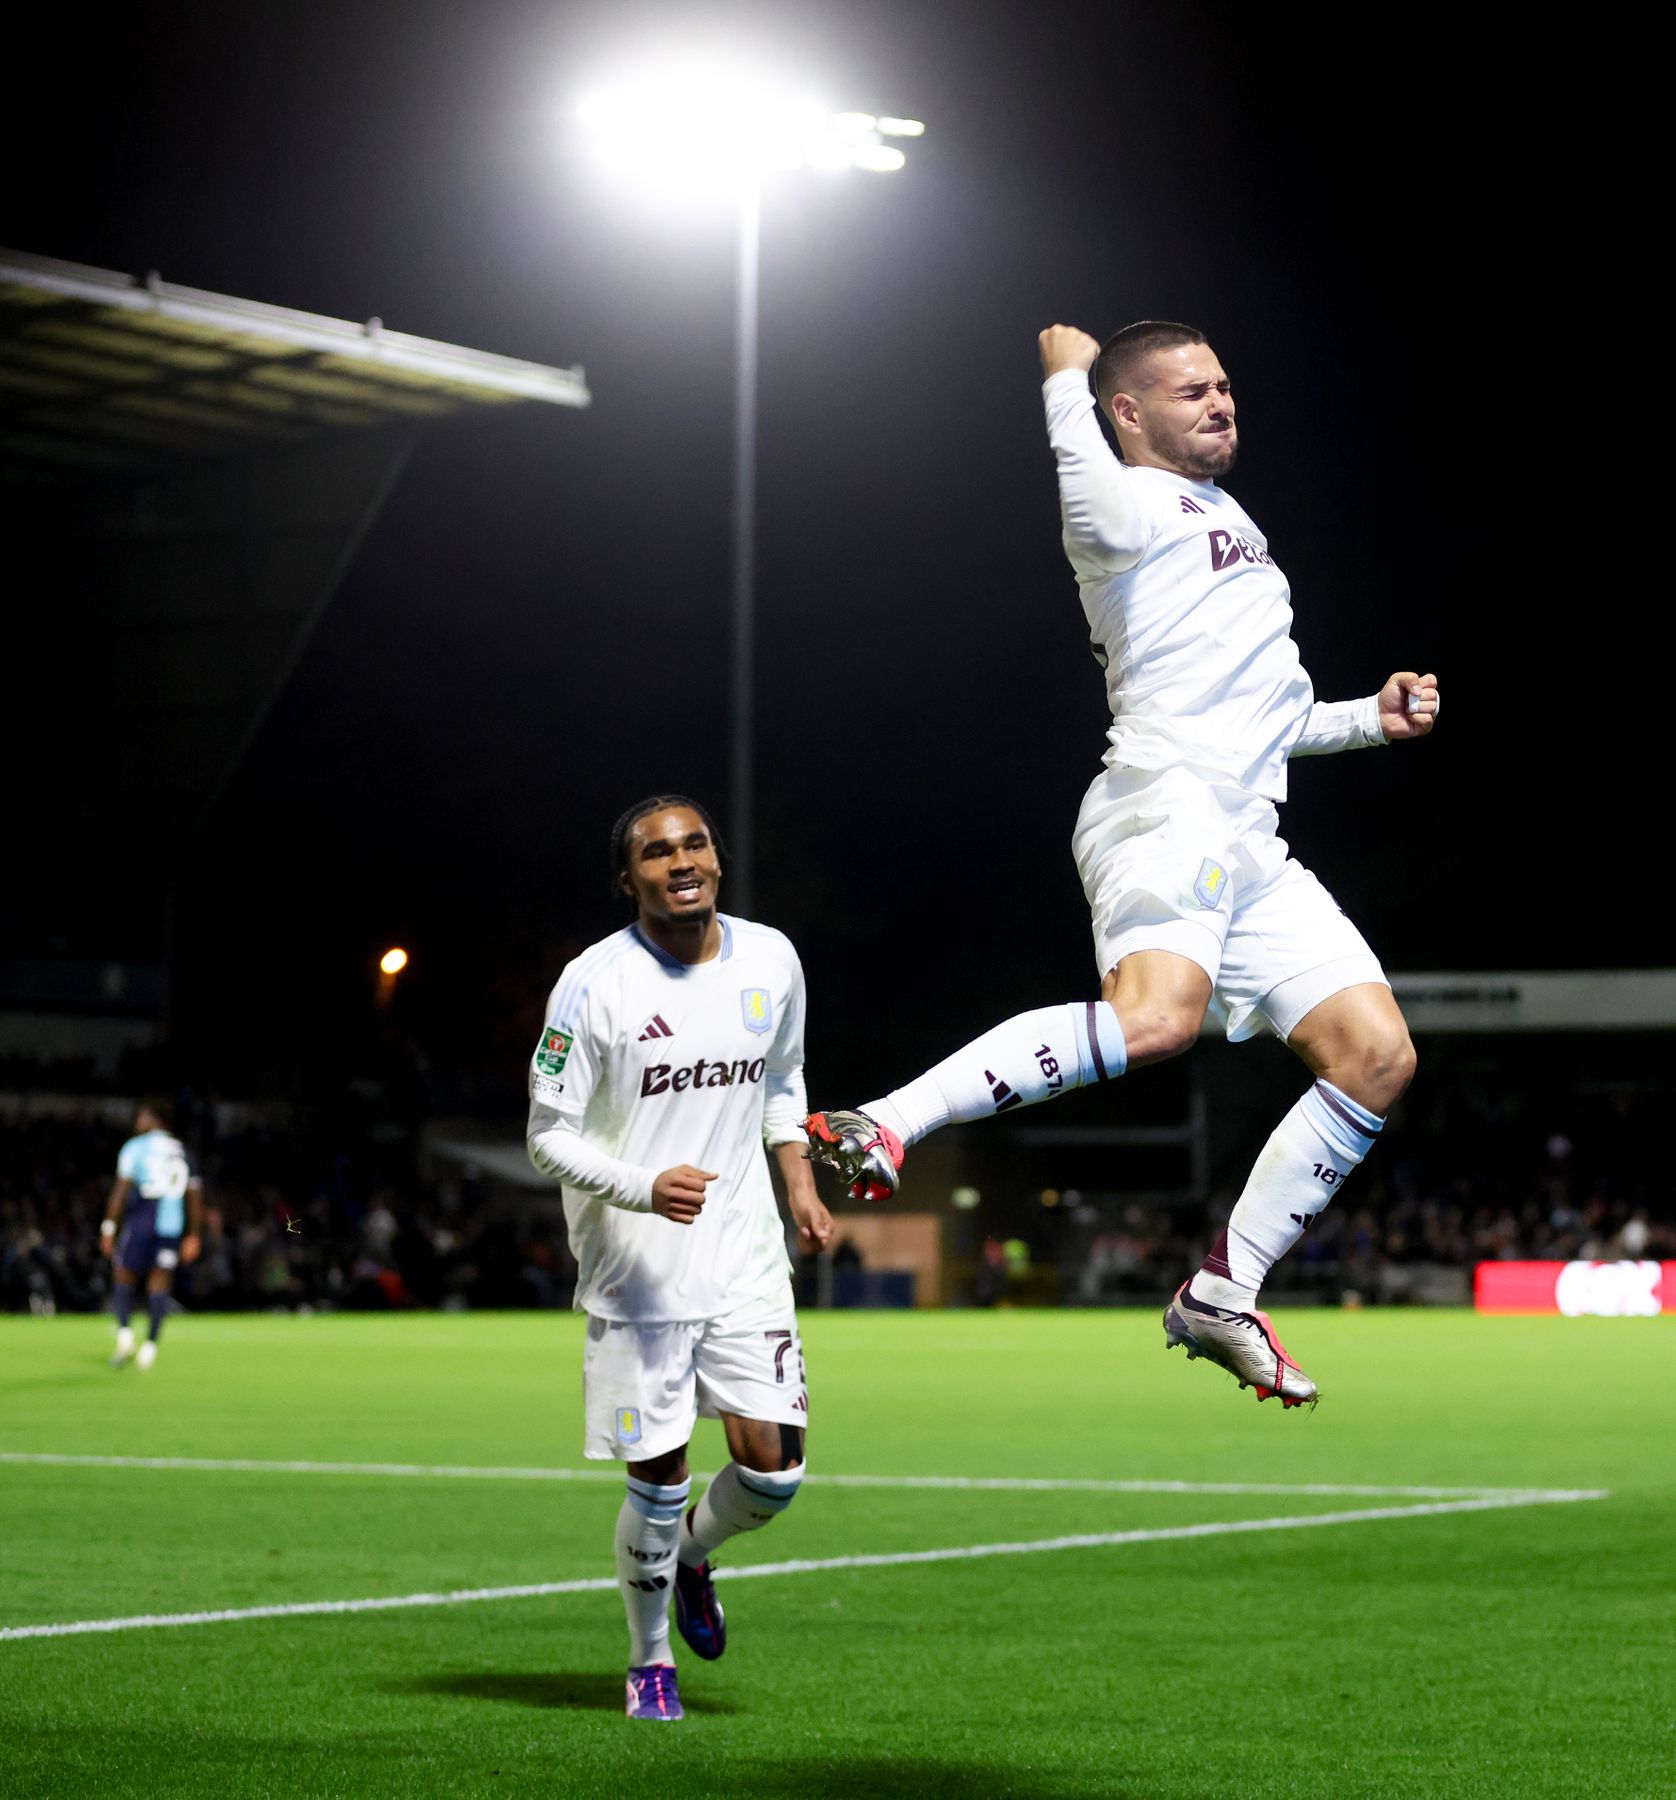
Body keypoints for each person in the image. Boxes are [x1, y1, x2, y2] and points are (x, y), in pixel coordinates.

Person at [807, 320, 1440, 1409]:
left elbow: (1269, 719)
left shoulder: (1228, 518)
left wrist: (1365, 721)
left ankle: (1223, 1291)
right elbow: (1082, 496)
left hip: (1246, 831)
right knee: (1155, 1023)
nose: (1219, 402)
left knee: (1375, 1057)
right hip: (1165, 806)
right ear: (1125, 415)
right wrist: (1061, 375)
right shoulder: (1121, 504)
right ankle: (886, 1121)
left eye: (1225, 385)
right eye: (1190, 390)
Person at [526, 795, 833, 1722]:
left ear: (718, 860)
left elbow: (783, 1080)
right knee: (657, 1482)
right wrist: (642, 1185)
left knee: (775, 1471)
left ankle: (695, 1560)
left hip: (743, 1255)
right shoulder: (592, 985)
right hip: (637, 1270)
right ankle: (649, 1660)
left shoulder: (772, 957)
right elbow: (547, 1137)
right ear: (631, 881)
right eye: (658, 853)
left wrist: (801, 1184)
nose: (681, 861)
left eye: (694, 843)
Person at [101, 1098, 203, 1370]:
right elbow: (194, 1197)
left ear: (153, 1118)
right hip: (172, 1224)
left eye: (141, 1117)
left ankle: (125, 1336)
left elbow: (120, 1191)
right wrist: (193, 1234)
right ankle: (150, 1347)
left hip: (144, 1218)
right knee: (160, 1281)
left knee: (123, 1272)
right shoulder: (183, 1151)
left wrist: (109, 1227)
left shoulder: (136, 1148)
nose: (137, 1123)